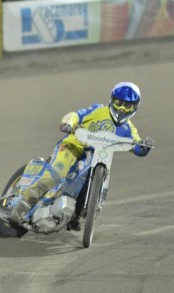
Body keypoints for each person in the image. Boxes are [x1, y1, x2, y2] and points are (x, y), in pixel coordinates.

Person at [9, 81, 154, 230]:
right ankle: (22, 206)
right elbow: (76, 115)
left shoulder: (128, 129)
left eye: (127, 106)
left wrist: (145, 146)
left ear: (135, 107)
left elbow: (137, 146)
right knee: (57, 174)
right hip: (72, 146)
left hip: (95, 157)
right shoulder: (98, 110)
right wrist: (68, 123)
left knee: (87, 178)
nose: (122, 109)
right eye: (119, 103)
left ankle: (76, 215)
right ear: (112, 101)